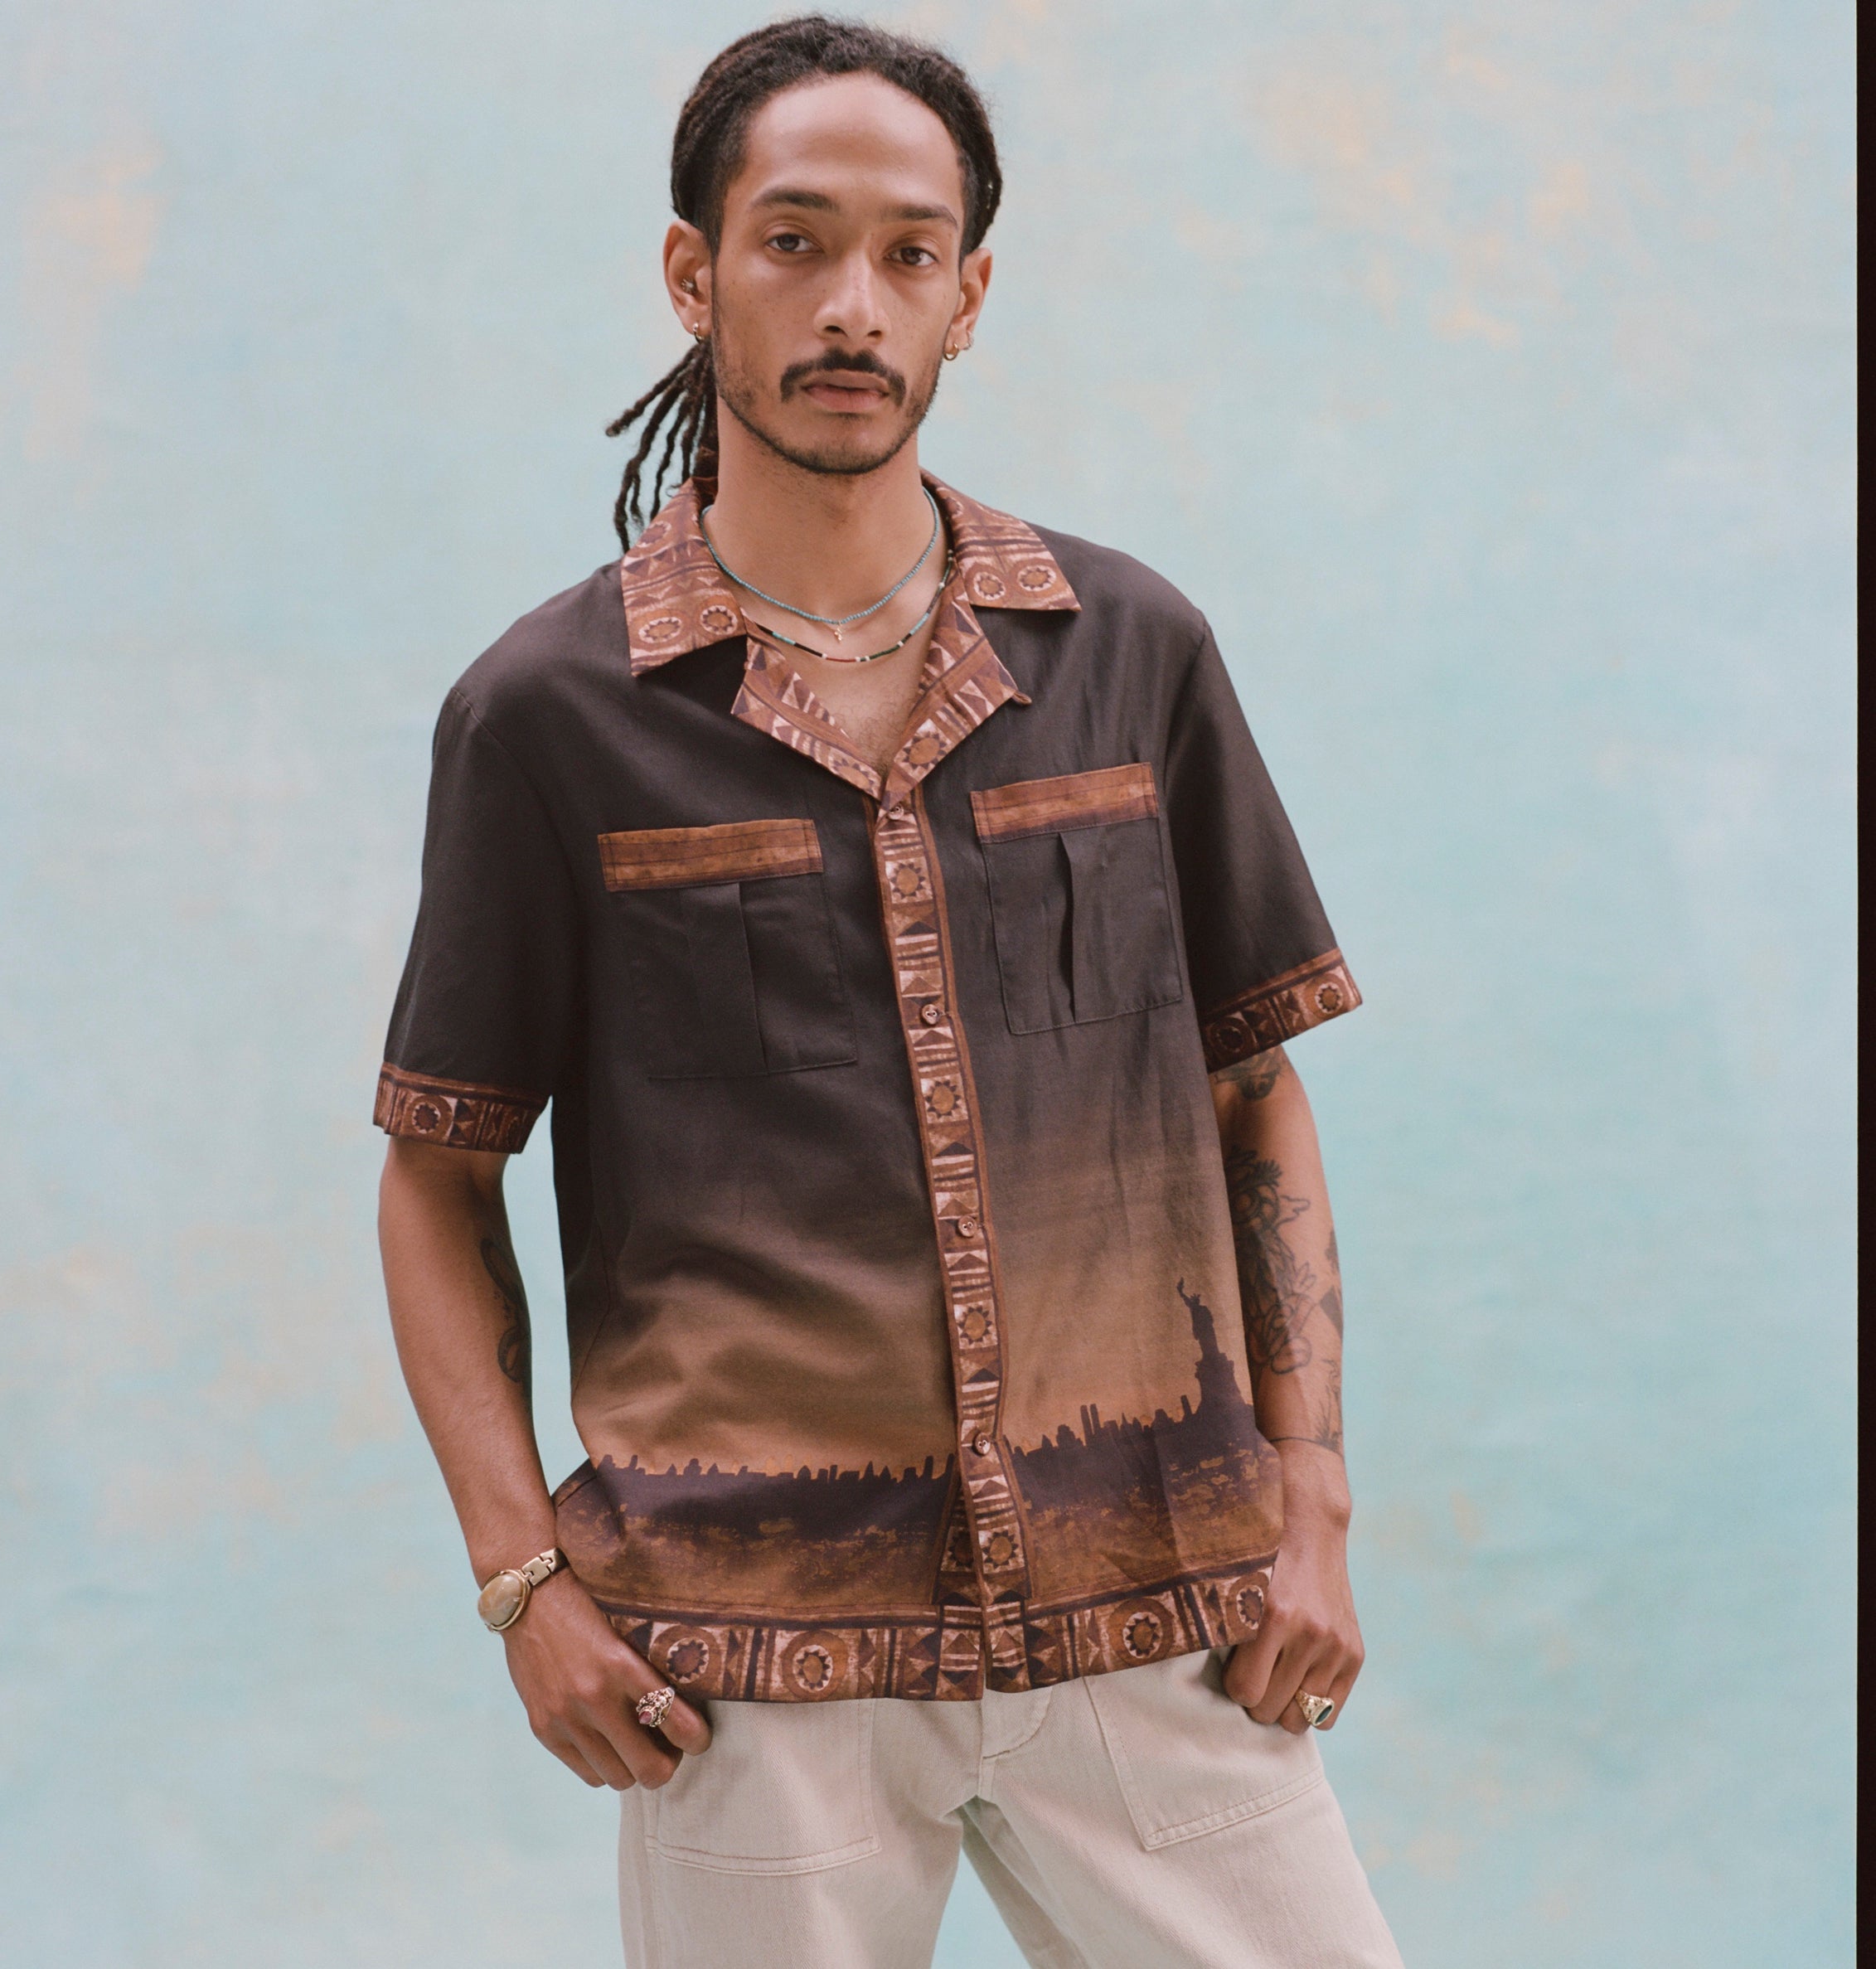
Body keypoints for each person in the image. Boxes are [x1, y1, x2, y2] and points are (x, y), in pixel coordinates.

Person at [375, 17, 1402, 1966]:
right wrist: (528, 1587)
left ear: (969, 293)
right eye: (794, 242)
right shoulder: (546, 720)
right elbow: (436, 1177)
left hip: (1155, 1603)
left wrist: (1317, 1497)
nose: (854, 304)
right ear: (695, 271)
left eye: (909, 253)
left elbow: (1254, 1092)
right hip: (750, 1663)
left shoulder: (1131, 652)